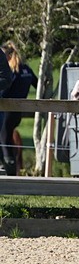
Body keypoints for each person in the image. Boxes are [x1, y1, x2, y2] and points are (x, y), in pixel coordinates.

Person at [1, 42, 37, 176]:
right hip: (18, 113)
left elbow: (4, 91)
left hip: (7, 112)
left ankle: (9, 172)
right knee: (8, 139)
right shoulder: (26, 69)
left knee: (4, 139)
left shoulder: (11, 71)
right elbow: (37, 84)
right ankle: (12, 168)